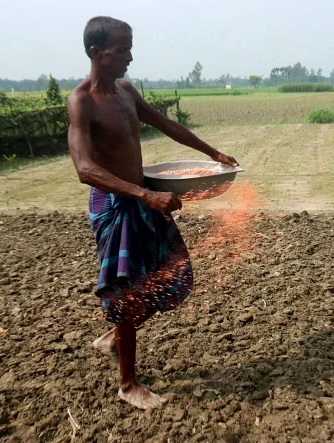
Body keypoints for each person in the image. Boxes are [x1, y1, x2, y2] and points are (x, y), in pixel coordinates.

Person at [67, 16, 238, 410]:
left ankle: (114, 336)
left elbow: (164, 123)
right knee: (129, 289)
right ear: (97, 53)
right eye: (122, 49)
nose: (130, 56)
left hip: (143, 198)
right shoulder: (82, 102)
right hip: (115, 204)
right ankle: (128, 384)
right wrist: (145, 195)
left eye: (130, 47)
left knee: (168, 274)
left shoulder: (126, 91)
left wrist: (211, 153)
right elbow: (85, 169)